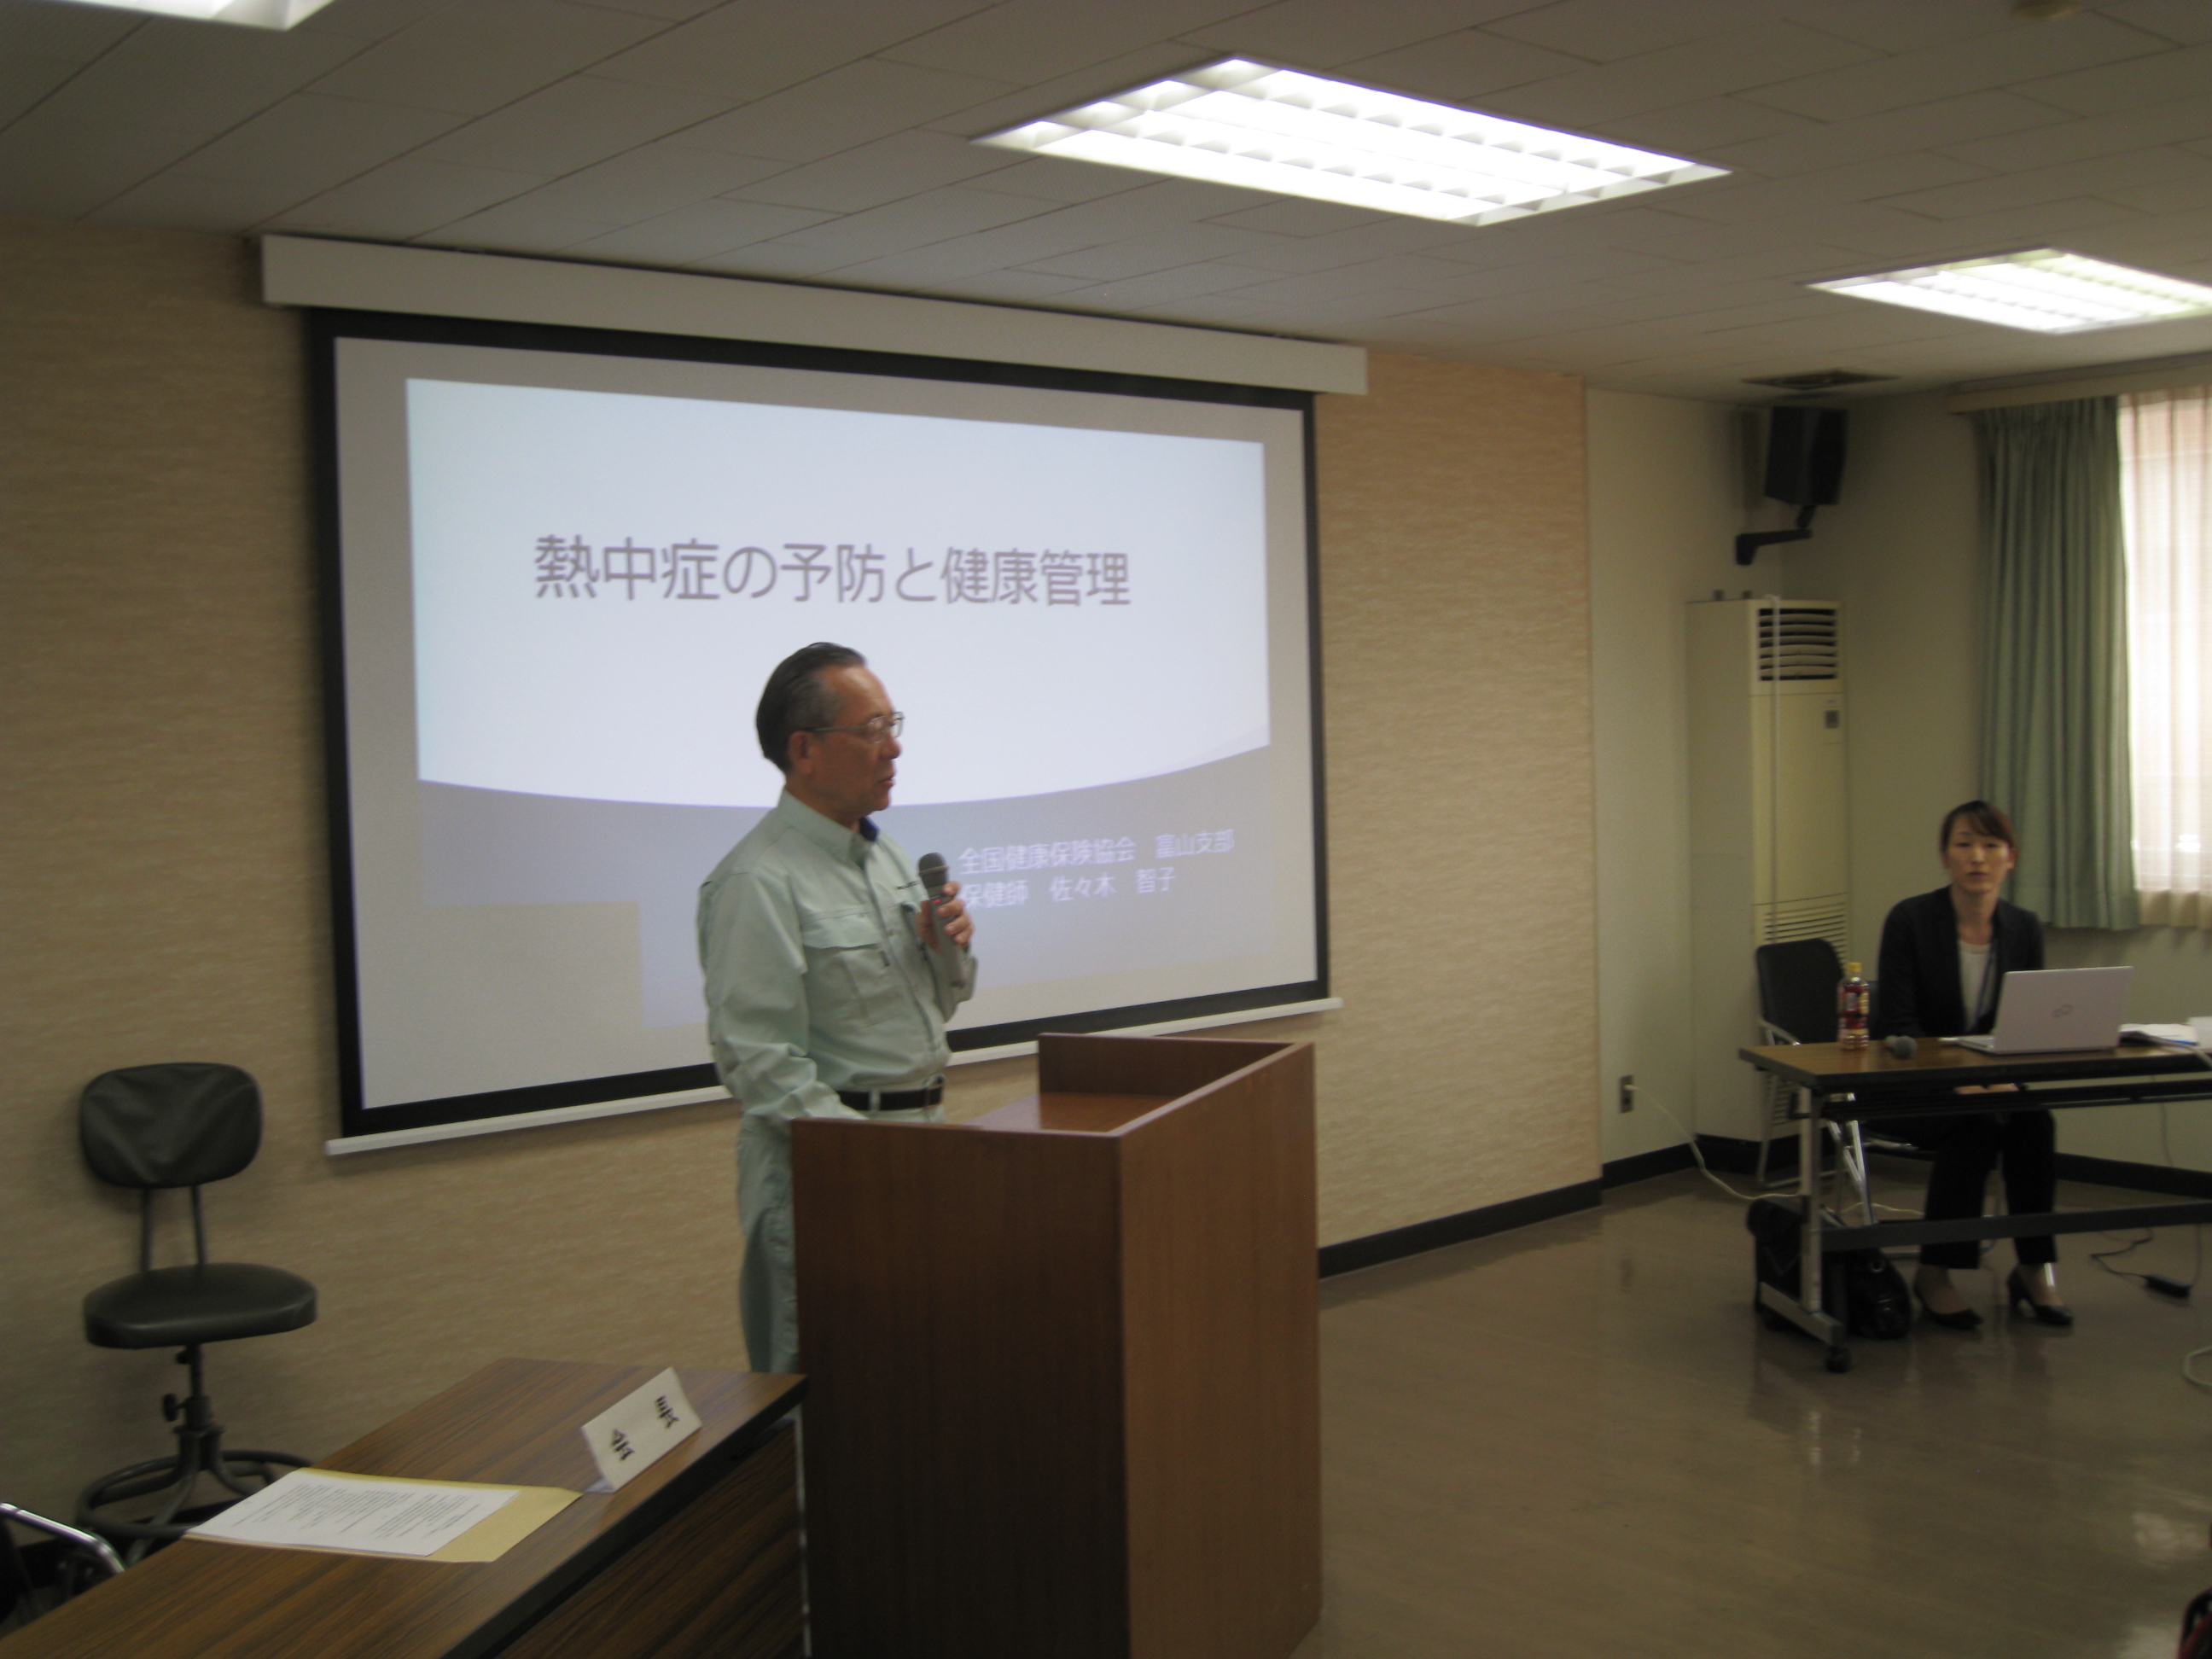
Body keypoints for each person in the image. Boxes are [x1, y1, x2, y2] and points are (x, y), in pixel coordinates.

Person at [697, 642, 975, 1374]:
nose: (894, 747)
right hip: (828, 1175)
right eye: (872, 729)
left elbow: (938, 1002)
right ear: (805, 751)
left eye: (893, 724)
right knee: (828, 1393)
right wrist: (864, 1160)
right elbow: (757, 1058)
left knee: (914, 1377)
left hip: (918, 1145)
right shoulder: (758, 881)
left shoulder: (886, 857)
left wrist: (948, 951)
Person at [1871, 800, 2071, 1330]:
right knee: (1973, 1124)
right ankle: (1935, 1272)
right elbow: (1897, 1026)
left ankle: (2034, 1267)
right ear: (1945, 856)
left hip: (1991, 1079)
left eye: (1990, 845)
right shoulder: (1910, 921)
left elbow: (2026, 1025)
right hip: (1912, 1083)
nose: (1977, 857)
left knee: (2034, 1120)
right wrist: (1960, 1081)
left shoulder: (2024, 928)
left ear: (2011, 858)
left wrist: (2001, 1078)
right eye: (1964, 844)